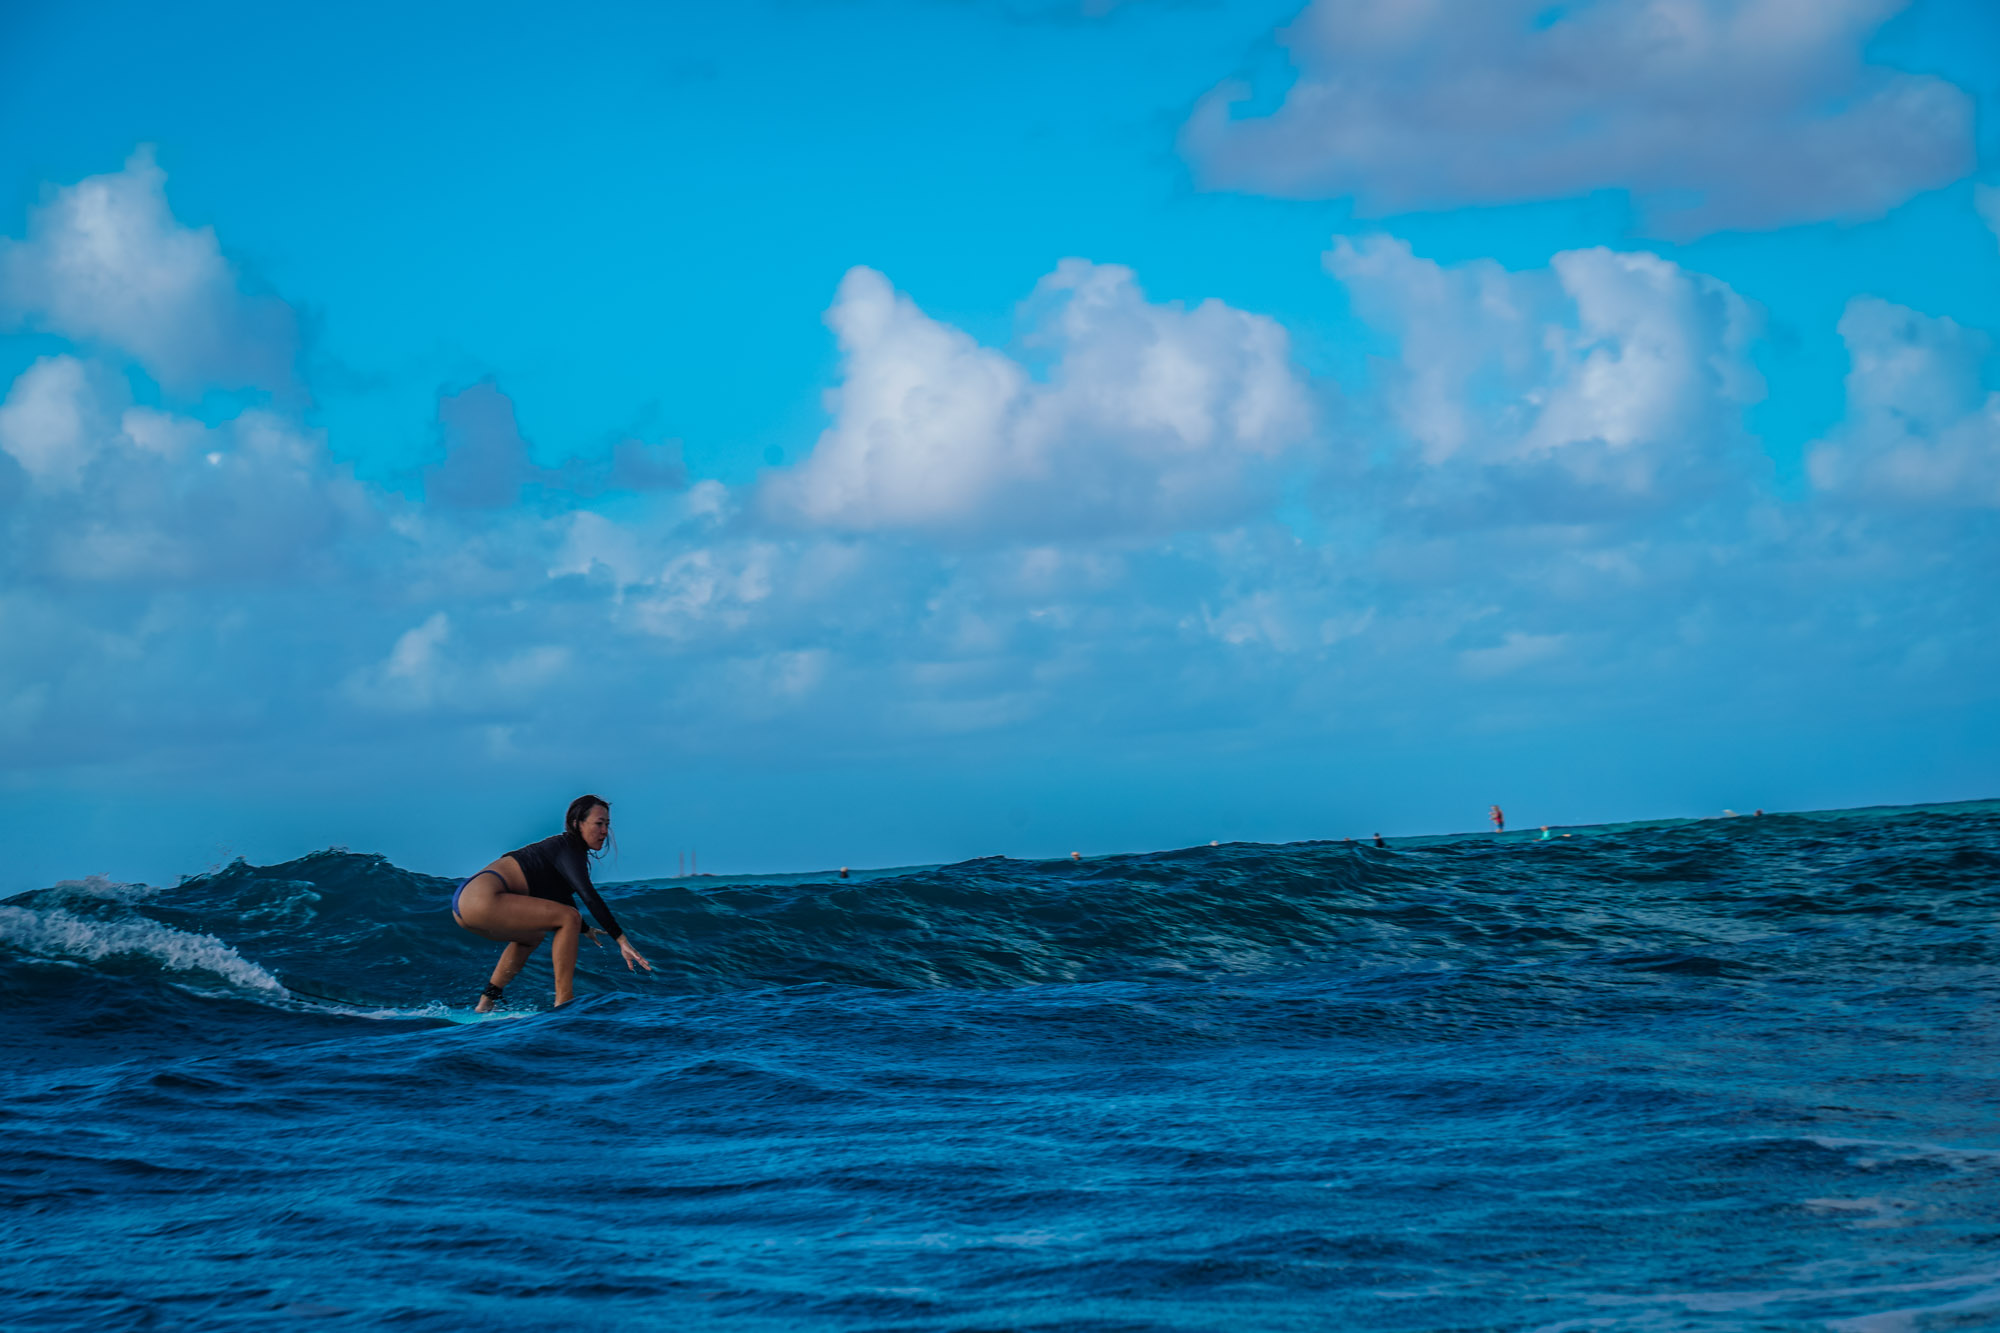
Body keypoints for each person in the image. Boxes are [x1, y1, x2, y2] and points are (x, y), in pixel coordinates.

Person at [451, 794, 652, 1011]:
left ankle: (487, 1000)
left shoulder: (560, 850)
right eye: (598, 824)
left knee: (532, 936)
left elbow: (558, 896)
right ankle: (564, 1002)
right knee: (568, 917)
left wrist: (584, 928)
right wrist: (621, 940)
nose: (604, 831)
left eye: (607, 825)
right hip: (482, 898)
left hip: (465, 902)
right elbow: (589, 896)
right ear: (577, 824)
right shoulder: (568, 848)